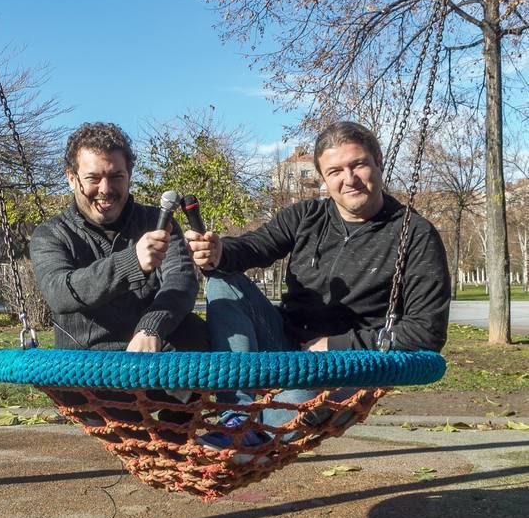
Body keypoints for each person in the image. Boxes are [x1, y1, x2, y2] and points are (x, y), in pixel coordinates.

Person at [184, 120, 450, 444]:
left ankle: (249, 436)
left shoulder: (415, 235)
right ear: (324, 179)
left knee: (299, 401)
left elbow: (426, 332)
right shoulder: (306, 216)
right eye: (335, 171)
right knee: (222, 282)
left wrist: (337, 345)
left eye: (358, 165)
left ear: (378, 162)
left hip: (350, 364)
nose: (349, 179)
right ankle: (238, 409)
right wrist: (220, 251)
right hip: (286, 346)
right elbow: (255, 246)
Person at [31, 121, 207, 353]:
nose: (105, 188)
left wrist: (151, 327)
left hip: (155, 352)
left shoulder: (157, 223)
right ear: (72, 178)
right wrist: (132, 262)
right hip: (84, 365)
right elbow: (60, 292)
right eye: (93, 178)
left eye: (116, 176)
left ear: (129, 175)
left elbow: (181, 280)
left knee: (202, 332)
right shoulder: (51, 234)